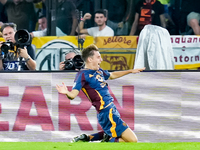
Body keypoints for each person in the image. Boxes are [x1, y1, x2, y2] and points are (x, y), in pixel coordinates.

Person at [56, 44, 145, 142]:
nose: (101, 60)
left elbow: (111, 75)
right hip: (106, 112)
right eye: (98, 57)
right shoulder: (82, 74)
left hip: (110, 109)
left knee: (115, 134)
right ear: (90, 59)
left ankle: (88, 138)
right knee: (132, 140)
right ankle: (104, 142)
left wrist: (130, 71)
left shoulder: (98, 71)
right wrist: (66, 92)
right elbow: (72, 95)